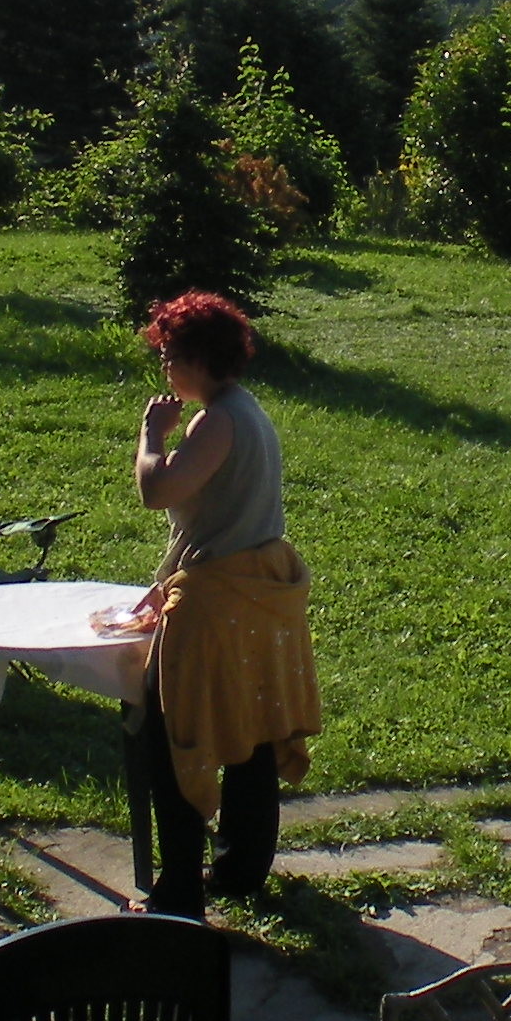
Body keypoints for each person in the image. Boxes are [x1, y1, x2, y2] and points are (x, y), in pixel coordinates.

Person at [130, 290, 318, 917]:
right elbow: (213, 514)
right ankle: (241, 870)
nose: (164, 368)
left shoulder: (216, 420)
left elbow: (160, 490)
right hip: (256, 595)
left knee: (174, 734)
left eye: (169, 355)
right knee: (251, 730)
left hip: (221, 601)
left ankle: (179, 890)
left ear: (197, 357)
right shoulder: (246, 410)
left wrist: (150, 437)